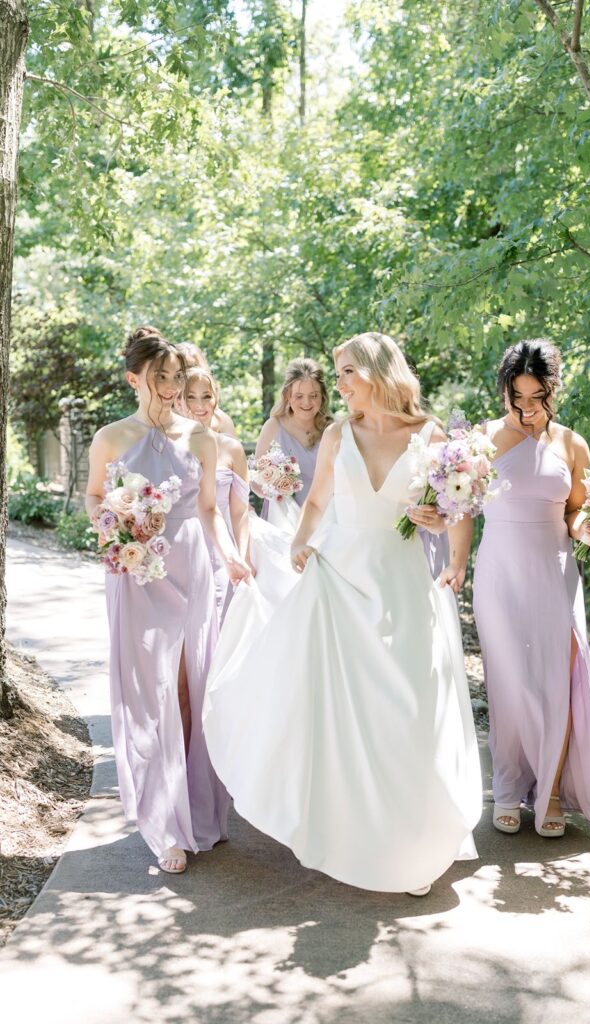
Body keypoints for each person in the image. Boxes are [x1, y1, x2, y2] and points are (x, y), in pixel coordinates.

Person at [203, 332, 482, 895]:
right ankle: (351, 831)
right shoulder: (336, 433)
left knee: (408, 709)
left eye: (349, 372)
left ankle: (413, 845)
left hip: (401, 582)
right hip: (340, 578)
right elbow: (316, 502)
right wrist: (300, 543)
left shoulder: (428, 436)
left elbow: (458, 503)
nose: (342, 384)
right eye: (340, 374)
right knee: (342, 712)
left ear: (379, 371)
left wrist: (454, 554)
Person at [86, 327, 251, 874]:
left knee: (189, 686)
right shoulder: (110, 437)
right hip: (135, 569)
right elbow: (94, 497)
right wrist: (116, 531)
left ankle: (194, 812)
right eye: (161, 379)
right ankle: (163, 823)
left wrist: (229, 555)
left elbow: (209, 511)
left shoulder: (201, 440)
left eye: (178, 378)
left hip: (189, 564)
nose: (173, 388)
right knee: (148, 693)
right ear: (135, 378)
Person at [472, 339, 590, 837]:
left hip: (554, 570)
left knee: (556, 679)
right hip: (500, 571)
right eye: (517, 398)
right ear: (504, 392)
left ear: (554, 392)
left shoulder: (572, 444)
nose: (527, 410)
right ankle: (508, 787)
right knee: (508, 681)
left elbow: (577, 508)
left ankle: (549, 790)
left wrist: (582, 527)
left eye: (537, 399)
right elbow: (459, 504)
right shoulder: (483, 439)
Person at [184, 367, 250, 624]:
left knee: (224, 617)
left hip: (223, 546)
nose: (200, 405)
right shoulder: (168, 445)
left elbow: (240, 510)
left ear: (216, 399)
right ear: (179, 399)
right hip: (186, 543)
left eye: (206, 396)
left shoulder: (231, 449)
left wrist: (242, 555)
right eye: (191, 397)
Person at [255, 357, 333, 529]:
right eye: (299, 396)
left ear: (322, 396)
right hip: (282, 519)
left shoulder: (333, 430)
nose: (306, 403)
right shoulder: (273, 427)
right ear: (287, 396)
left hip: (324, 520)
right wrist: (274, 490)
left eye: (313, 396)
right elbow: (255, 480)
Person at [175, 342, 237, 438]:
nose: (189, 375)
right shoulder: (163, 417)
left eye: (193, 368)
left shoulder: (221, 420)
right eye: (181, 372)